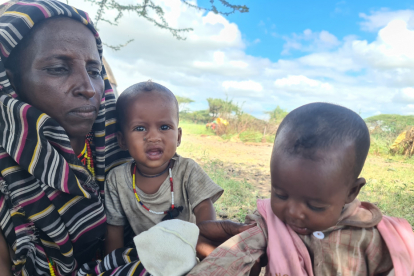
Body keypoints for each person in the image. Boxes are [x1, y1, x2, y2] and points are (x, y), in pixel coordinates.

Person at [0, 1, 252, 275]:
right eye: (58, 68)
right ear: (11, 81)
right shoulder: (9, 186)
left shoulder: (105, 158)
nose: (88, 88)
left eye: (95, 72)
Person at [188, 102, 414, 276]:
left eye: (315, 205)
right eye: (280, 194)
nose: (293, 212)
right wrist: (227, 231)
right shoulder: (270, 227)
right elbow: (221, 261)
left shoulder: (373, 237)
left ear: (351, 192)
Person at [105, 81, 224, 258]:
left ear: (178, 136)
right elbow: (114, 230)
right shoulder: (117, 179)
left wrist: (204, 248)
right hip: (146, 258)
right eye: (140, 128)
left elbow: (204, 211)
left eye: (164, 127)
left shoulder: (187, 170)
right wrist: (111, 266)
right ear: (122, 140)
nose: (153, 137)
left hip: (188, 250)